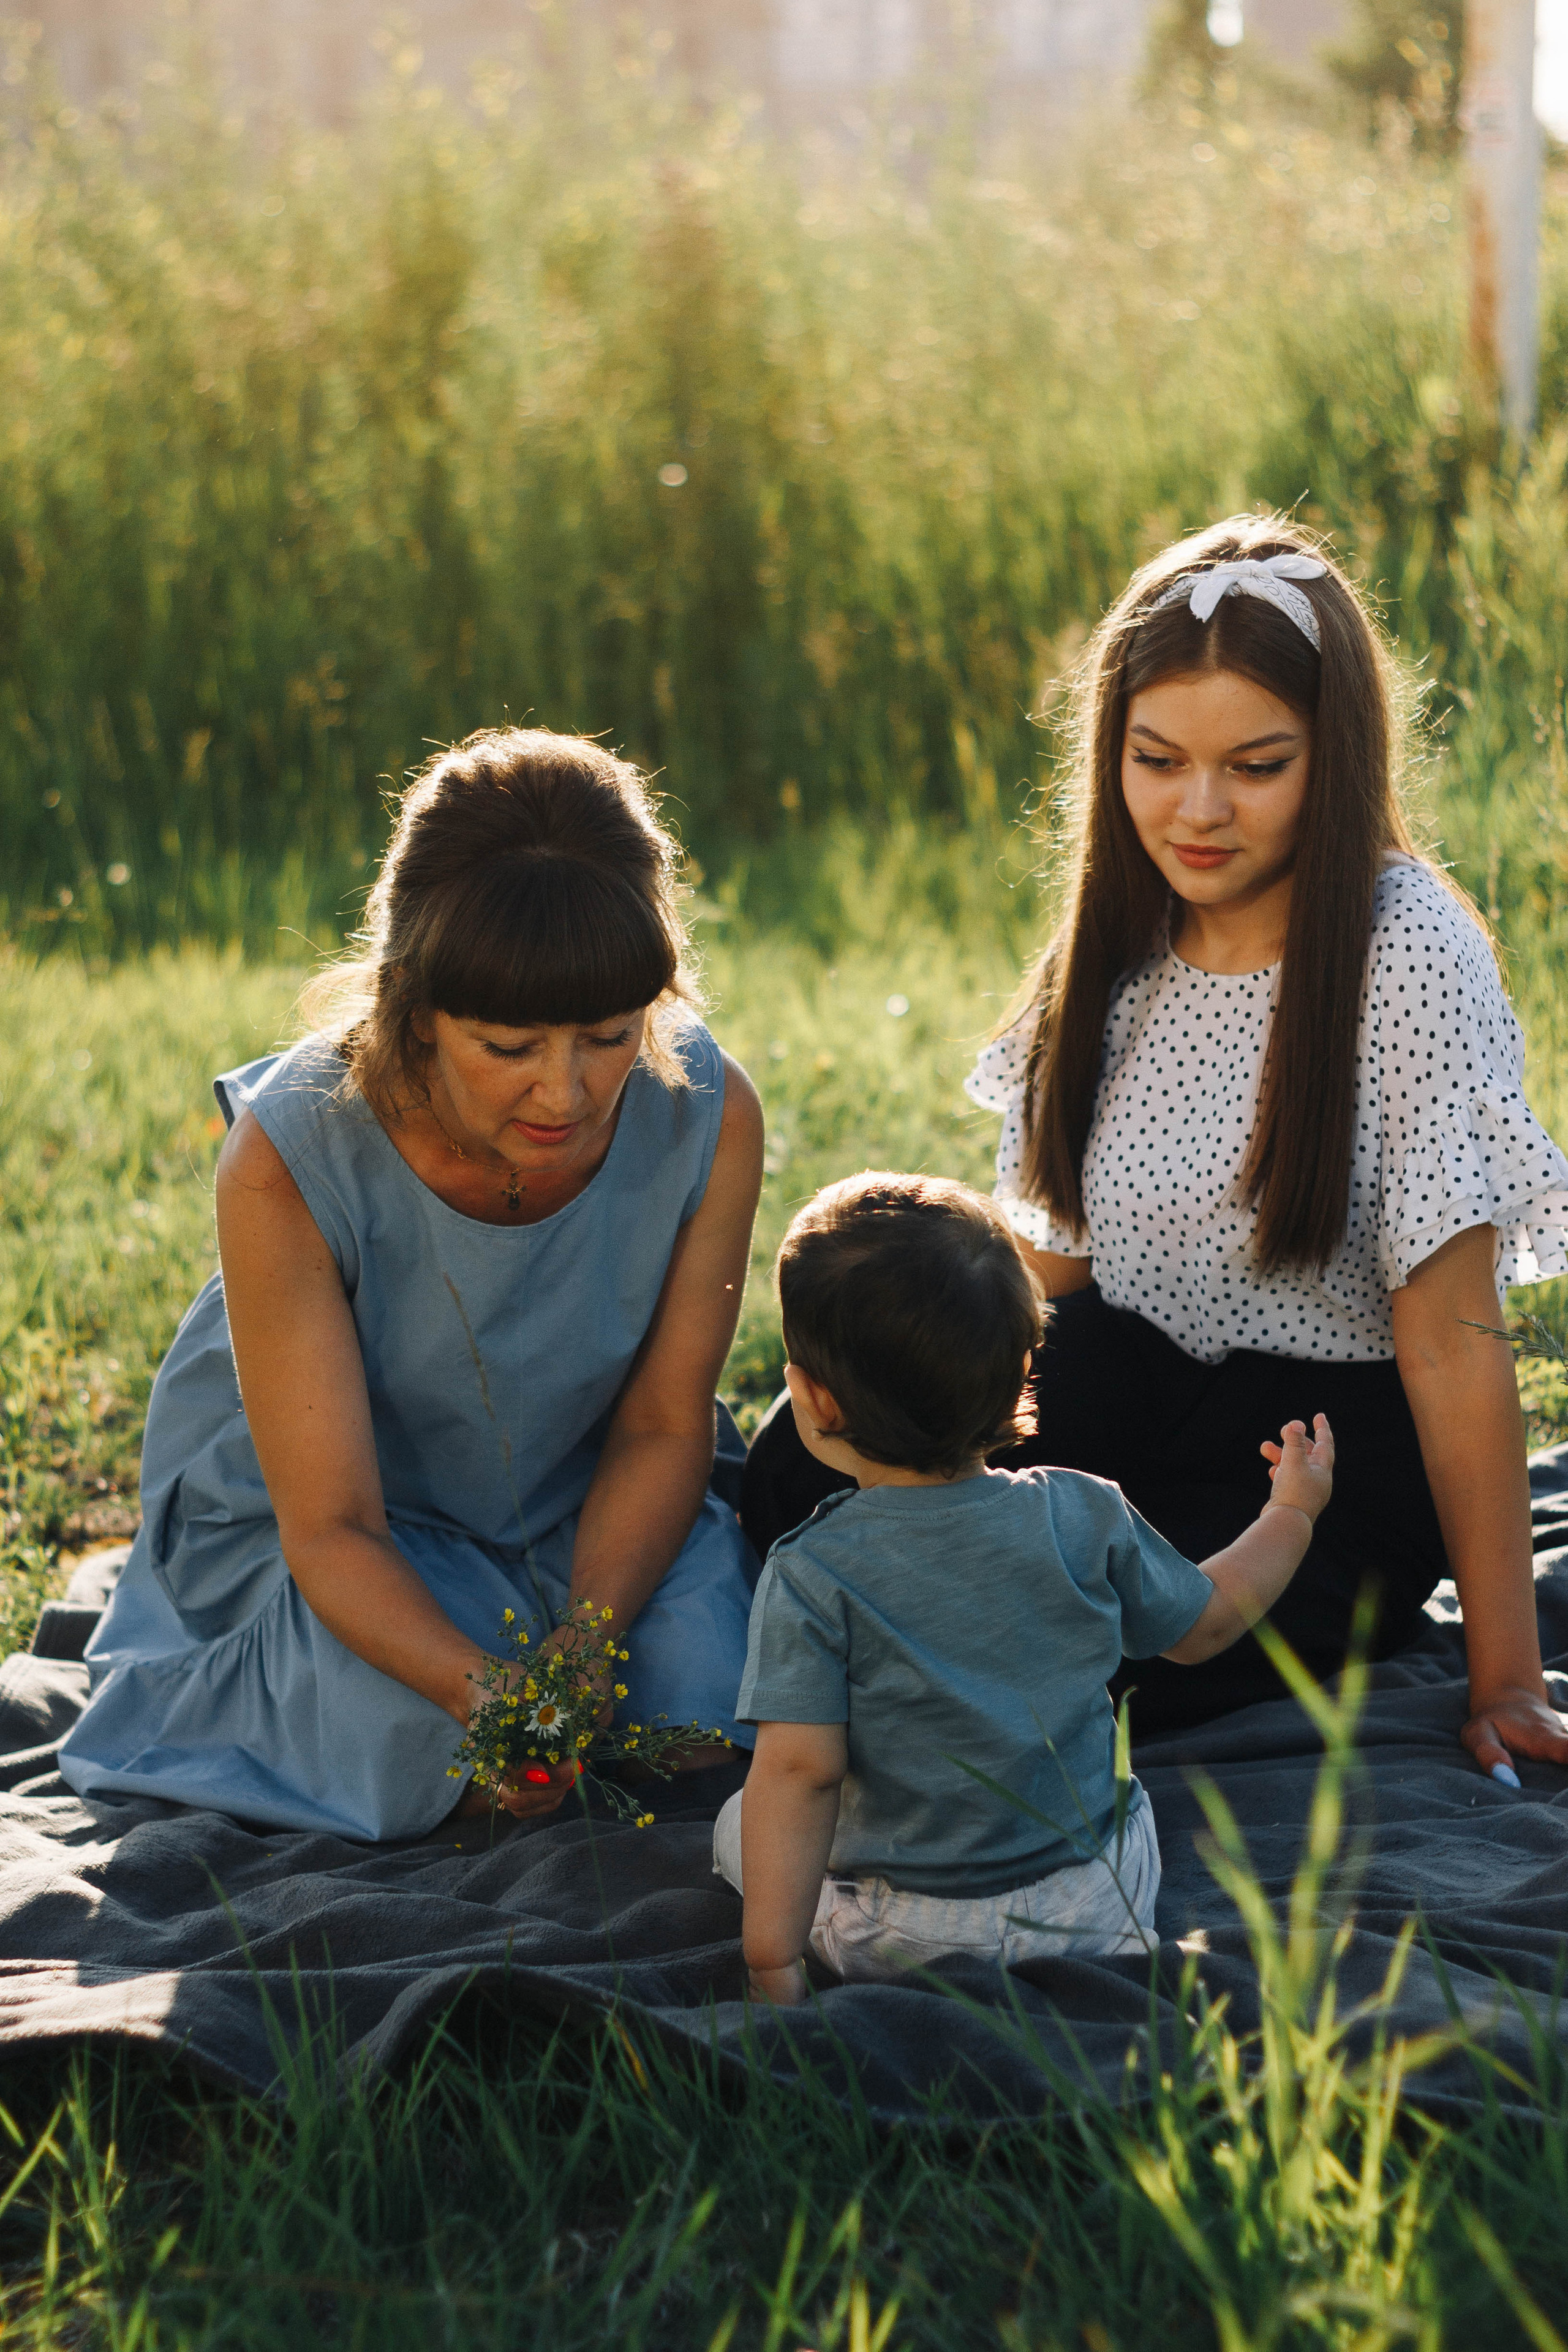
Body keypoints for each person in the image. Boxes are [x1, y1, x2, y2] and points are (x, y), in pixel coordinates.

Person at [741, 517, 1568, 1775]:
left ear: (1330, 758)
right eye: (1155, 758)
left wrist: (1503, 1678)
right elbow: (1051, 1279)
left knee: (1107, 1631)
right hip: (1127, 1375)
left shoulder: (1403, 953)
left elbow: (1449, 1343)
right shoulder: (1119, 938)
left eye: (1254, 765)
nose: (1194, 810)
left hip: (1318, 1455)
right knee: (797, 1471)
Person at [61, 728, 765, 1841]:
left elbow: (664, 1423)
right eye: (507, 1044)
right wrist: (486, 1698)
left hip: (588, 1489)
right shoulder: (289, 1159)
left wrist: (580, 1660)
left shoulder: (708, 1112)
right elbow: (335, 1523)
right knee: (430, 1751)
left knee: (716, 1700)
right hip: (356, 1525)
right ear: (408, 1002)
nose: (567, 1091)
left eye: (608, 1034)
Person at [716, 1173, 1335, 2003]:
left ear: (813, 1398)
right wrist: (1291, 1512)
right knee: (1128, 1807)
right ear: (1019, 1375)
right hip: (1092, 1904)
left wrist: (772, 1961)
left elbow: (801, 1773)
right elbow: (1207, 1624)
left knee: (735, 1826)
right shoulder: (1083, 1512)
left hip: (909, 1933)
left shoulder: (812, 1572)